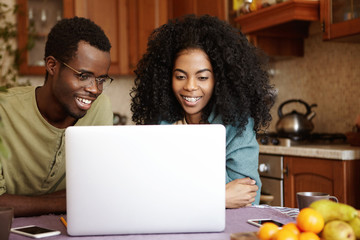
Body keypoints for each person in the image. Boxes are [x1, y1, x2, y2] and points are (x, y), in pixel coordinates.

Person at [130, 15, 275, 208]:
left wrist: (180, 190)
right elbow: (149, 194)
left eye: (203, 77)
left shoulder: (237, 124)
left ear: (220, 80)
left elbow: (247, 197)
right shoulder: (160, 121)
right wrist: (218, 197)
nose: (190, 86)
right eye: (180, 76)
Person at [0, 17, 114, 217]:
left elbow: (96, 190)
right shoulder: (4, 109)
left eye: (101, 79)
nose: (95, 90)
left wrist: (23, 202)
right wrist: (64, 201)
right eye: (83, 76)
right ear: (52, 66)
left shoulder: (101, 108)